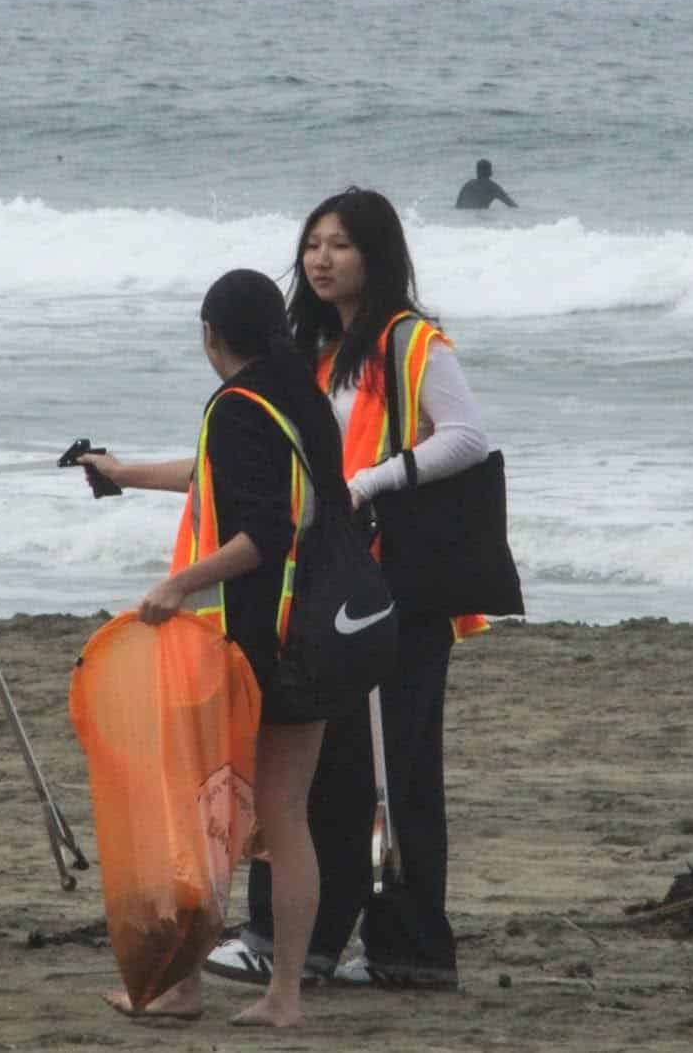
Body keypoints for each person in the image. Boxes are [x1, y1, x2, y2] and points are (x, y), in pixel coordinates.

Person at [206, 187, 491, 990]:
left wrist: (372, 480)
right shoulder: (310, 350)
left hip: (395, 578)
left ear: (377, 254)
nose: (321, 260)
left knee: (394, 767)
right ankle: (313, 941)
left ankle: (409, 950)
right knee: (327, 766)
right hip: (332, 581)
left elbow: (468, 437)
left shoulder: (410, 341)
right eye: (312, 244)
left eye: (340, 245)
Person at [79, 268, 357, 1028]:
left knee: (210, 813)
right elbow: (227, 485)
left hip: (263, 647)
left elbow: (261, 534)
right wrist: (123, 473)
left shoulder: (235, 408)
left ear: (209, 337)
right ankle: (284, 997)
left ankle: (181, 988)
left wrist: (180, 586)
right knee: (284, 817)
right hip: (321, 637)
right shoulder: (299, 396)